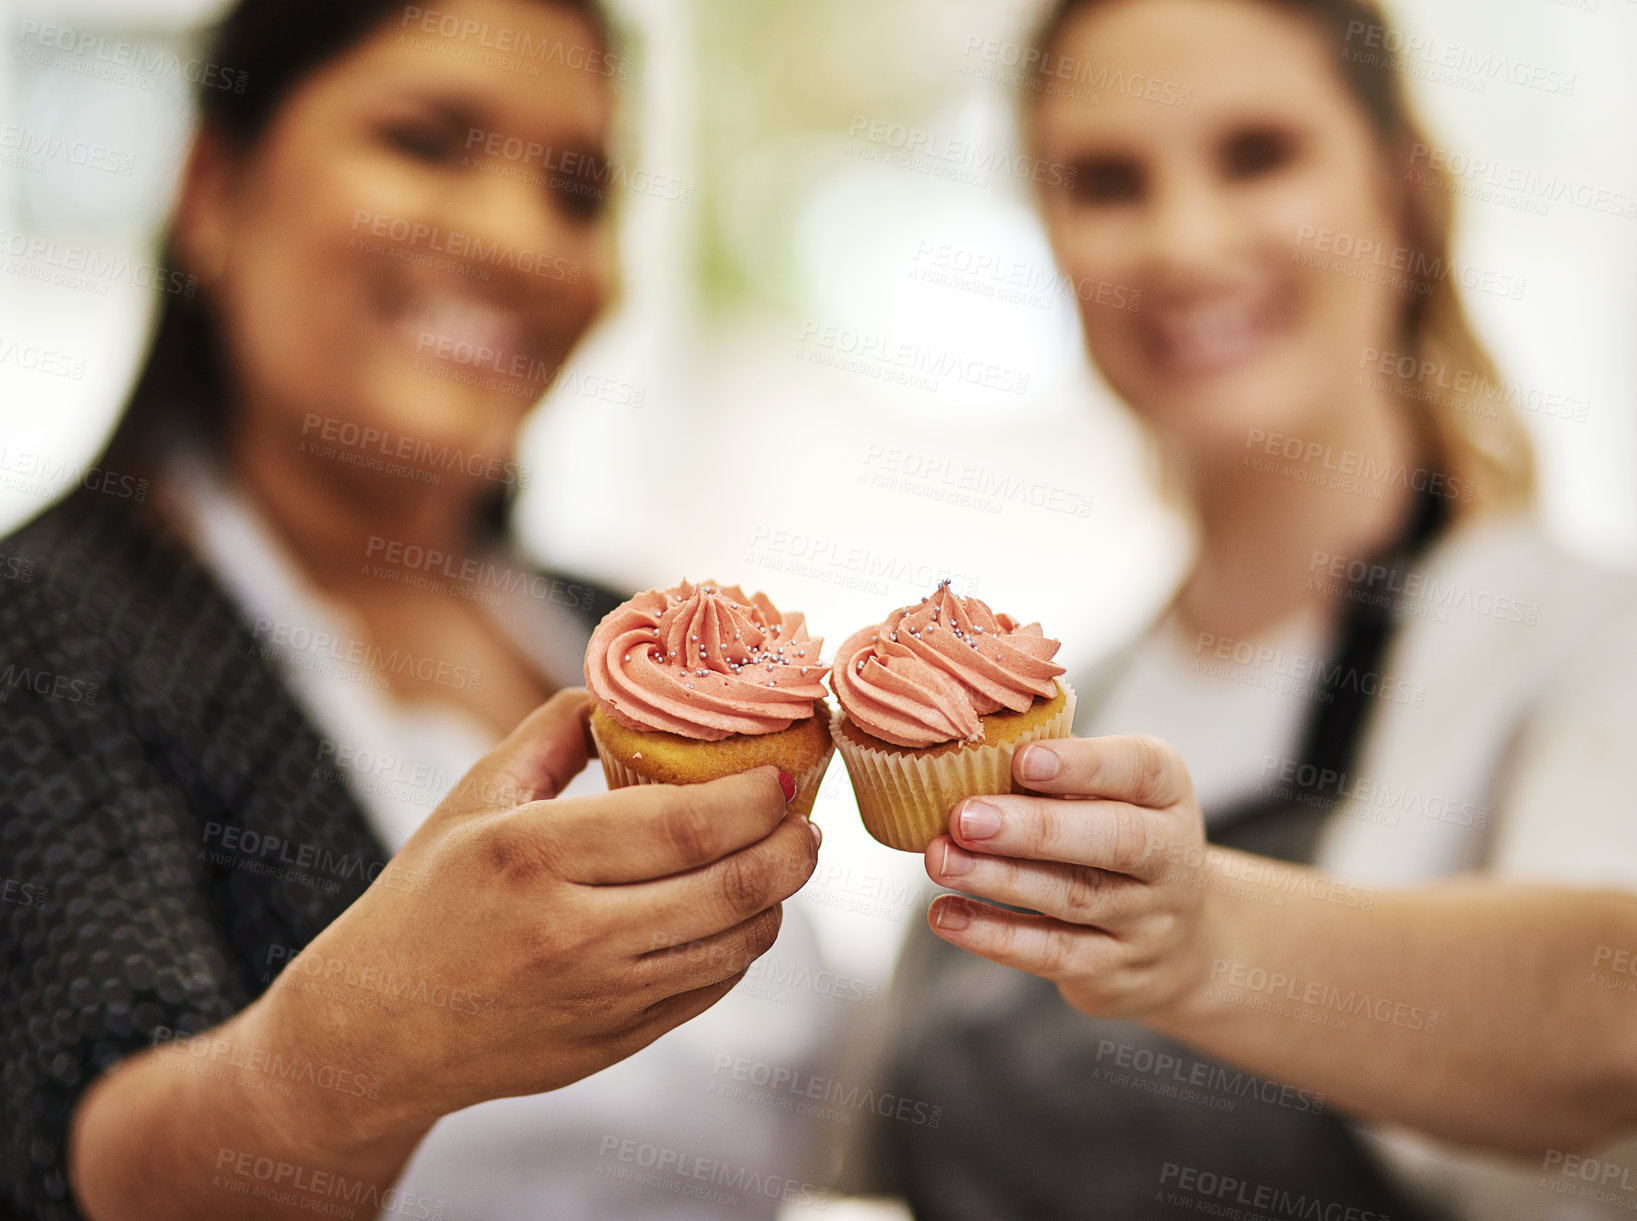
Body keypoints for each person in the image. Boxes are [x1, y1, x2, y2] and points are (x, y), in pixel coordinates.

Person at [0, 3, 827, 1218]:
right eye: (428, 142)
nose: (519, 242)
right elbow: (95, 1167)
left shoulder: (624, 634)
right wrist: (369, 1046)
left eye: (578, 191)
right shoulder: (44, 639)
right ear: (212, 191)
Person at [858, 0, 1637, 1217]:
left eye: (1256, 154)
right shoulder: (1064, 698)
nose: (1181, 240)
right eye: (1107, 182)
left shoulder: (1585, 637)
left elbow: (1611, 1016)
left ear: (1402, 190)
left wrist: (1201, 938)